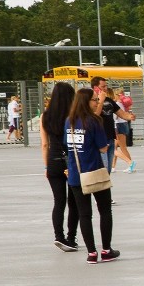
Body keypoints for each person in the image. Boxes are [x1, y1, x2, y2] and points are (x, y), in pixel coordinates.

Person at [65, 88, 119, 264]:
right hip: (94, 171)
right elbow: (103, 147)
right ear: (86, 102)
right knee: (105, 210)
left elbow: (67, 146)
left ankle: (91, 253)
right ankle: (106, 249)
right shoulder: (94, 121)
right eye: (95, 100)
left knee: (84, 214)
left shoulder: (69, 122)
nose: (98, 103)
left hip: (75, 174)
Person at [40, 82, 79, 252]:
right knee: (74, 201)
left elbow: (44, 144)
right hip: (70, 160)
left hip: (53, 161)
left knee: (58, 201)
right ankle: (71, 237)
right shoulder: (72, 116)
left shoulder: (45, 116)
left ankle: (58, 235)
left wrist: (47, 166)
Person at [111, 87, 136, 173]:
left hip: (118, 125)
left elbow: (116, 116)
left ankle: (130, 164)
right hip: (124, 124)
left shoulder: (117, 104)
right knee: (114, 147)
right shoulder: (124, 105)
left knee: (122, 147)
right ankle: (113, 166)